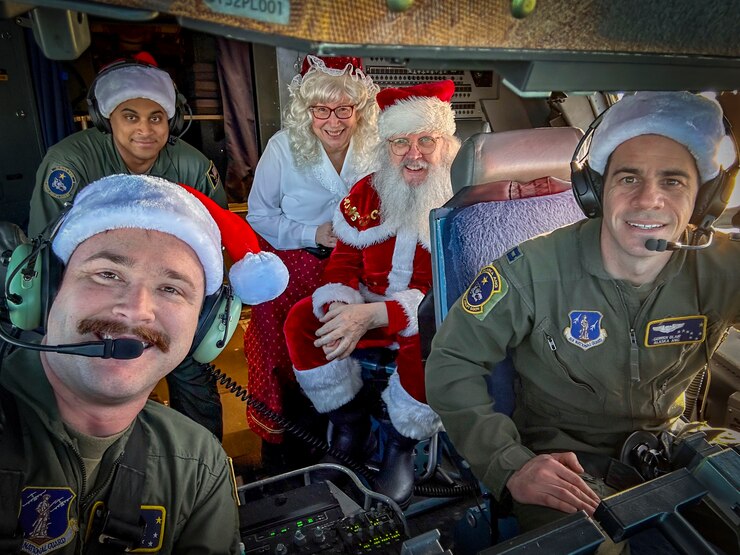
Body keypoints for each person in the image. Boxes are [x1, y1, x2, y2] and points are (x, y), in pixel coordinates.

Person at [425, 92, 739, 545]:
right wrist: (510, 464)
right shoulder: (532, 268)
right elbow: (452, 359)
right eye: (629, 178)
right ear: (596, 191)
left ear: (704, 200)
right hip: (562, 460)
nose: (648, 200)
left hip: (671, 440)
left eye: (673, 182)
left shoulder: (723, 266)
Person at [0, 174, 287, 553]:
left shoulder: (198, 464)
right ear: (46, 290)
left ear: (206, 328)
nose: (136, 311)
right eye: (108, 274)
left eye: (171, 288)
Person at [27, 52, 229, 438]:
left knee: (194, 374)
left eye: (156, 117)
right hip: (98, 300)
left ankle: (202, 464)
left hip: (167, 298)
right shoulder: (70, 163)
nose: (145, 130)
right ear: (108, 120)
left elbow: (218, 244)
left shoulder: (192, 166)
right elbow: (47, 256)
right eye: (130, 116)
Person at [284, 80, 460, 507]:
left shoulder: (461, 196)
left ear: (446, 144)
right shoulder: (366, 191)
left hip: (426, 314)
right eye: (400, 142)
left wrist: (379, 316)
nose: (413, 154)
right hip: (365, 304)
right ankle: (348, 422)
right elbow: (343, 259)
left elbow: (453, 289)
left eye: (426, 140)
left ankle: (401, 444)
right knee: (303, 320)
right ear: (386, 146)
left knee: (434, 340)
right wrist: (342, 303)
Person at [243, 55, 380, 454]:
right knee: (290, 363)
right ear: (307, 110)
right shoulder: (283, 148)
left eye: (343, 109)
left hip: (360, 269)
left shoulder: (377, 147)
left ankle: (355, 435)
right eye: (321, 110)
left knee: (356, 355)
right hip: (294, 267)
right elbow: (259, 214)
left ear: (360, 109)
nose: (333, 121)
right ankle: (295, 447)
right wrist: (310, 232)